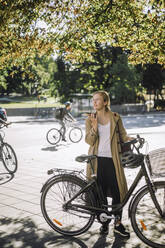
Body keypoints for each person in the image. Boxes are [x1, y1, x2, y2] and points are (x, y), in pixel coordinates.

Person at [85, 90, 133, 238]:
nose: (94, 103)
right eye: (93, 100)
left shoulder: (115, 117)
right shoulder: (90, 119)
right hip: (97, 161)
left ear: (105, 102)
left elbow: (123, 135)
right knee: (100, 194)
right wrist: (93, 126)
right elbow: (89, 141)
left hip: (114, 161)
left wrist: (130, 138)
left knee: (118, 192)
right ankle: (104, 223)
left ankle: (117, 224)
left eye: (97, 100)